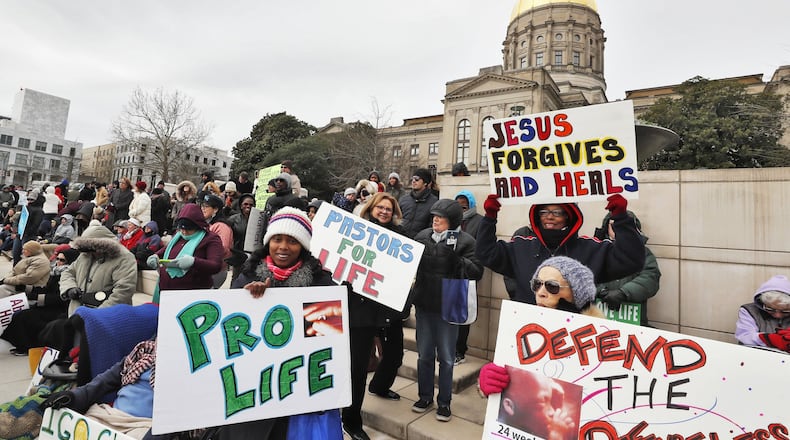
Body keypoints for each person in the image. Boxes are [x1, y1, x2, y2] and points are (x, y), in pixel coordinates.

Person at [230, 206, 342, 440]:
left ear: (303, 246)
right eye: (277, 239)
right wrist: (246, 299)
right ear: (268, 242)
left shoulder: (321, 282)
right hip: (253, 390)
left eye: (292, 241)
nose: (283, 247)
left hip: (297, 388)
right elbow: (229, 329)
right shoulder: (248, 275)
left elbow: (328, 337)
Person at [478, 256, 605, 437]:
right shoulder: (526, 329)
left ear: (577, 294)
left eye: (552, 286)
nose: (541, 293)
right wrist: (488, 384)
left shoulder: (600, 343)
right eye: (537, 284)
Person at [475, 194, 645, 305]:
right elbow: (486, 253)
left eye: (557, 212)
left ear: (569, 216)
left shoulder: (591, 250)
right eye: (543, 212)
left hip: (570, 342)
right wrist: (490, 217)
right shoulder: (521, 246)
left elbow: (631, 260)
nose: (549, 216)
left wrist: (621, 218)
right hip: (526, 336)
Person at [411, 199, 484, 422]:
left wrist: (457, 260)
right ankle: (425, 397)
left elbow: (477, 272)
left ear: (452, 221)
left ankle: (444, 403)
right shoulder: (422, 237)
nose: (435, 220)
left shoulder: (466, 241)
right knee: (424, 356)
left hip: (449, 308)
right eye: (434, 216)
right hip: (424, 305)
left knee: (447, 359)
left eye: (440, 217)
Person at [342, 193, 407, 440]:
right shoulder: (354, 232)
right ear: (371, 208)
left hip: (379, 314)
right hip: (350, 310)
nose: (383, 211)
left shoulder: (400, 240)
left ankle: (359, 411)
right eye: (380, 207)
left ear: (394, 213)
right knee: (348, 369)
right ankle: (342, 417)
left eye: (389, 209)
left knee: (375, 363)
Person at [39, 337, 162, 439]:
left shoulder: (179, 365)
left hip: (144, 425)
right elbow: (106, 380)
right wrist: (73, 396)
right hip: (111, 416)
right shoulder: (145, 349)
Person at [1, 248, 80, 355]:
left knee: (25, 316)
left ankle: (28, 347)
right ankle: (22, 345)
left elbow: (60, 298)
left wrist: (36, 298)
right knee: (20, 314)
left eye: (62, 260)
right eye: (57, 259)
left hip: (61, 310)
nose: (58, 262)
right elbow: (46, 289)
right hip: (49, 306)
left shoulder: (72, 277)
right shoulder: (56, 273)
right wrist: (26, 288)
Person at [594, 211, 661, 326]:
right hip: (598, 321)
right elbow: (584, 276)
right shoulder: (595, 251)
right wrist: (601, 291)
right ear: (607, 228)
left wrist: (623, 293)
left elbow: (650, 278)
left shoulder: (644, 254)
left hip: (633, 322)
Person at [60, 221, 138, 316]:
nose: (90, 253)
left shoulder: (124, 258)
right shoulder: (85, 255)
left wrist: (97, 315)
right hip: (77, 314)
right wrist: (69, 288)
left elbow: (124, 291)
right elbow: (68, 272)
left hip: (107, 319)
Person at [147, 203, 223, 298]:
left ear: (198, 226)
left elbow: (215, 265)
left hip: (192, 294)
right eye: (181, 229)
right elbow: (168, 249)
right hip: (165, 291)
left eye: (188, 229)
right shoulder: (179, 236)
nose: (184, 232)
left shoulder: (211, 239)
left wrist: (194, 261)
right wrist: (156, 256)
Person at [452, 190, 483, 365]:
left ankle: (459, 351)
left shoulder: (479, 221)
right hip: (450, 274)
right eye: (458, 202)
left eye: (464, 202)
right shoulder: (452, 220)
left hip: (468, 273)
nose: (461, 206)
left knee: (463, 316)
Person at [735, 275, 790, 351]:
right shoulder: (749, 310)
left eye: (785, 311)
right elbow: (744, 336)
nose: (778, 315)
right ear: (763, 303)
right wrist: (769, 339)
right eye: (771, 309)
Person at [200, 194, 234, 288]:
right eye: (202, 206)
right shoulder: (208, 225)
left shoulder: (221, 227)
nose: (203, 209)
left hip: (216, 271)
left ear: (215, 209)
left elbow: (223, 249)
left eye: (206, 206)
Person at [399, 168, 439, 238]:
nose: (413, 181)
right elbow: (397, 219)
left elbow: (433, 226)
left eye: (417, 179)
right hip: (401, 241)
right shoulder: (403, 199)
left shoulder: (434, 202)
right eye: (413, 179)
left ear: (425, 183)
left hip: (421, 242)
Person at [226, 193, 255, 283]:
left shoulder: (259, 220)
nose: (248, 206)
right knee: (236, 280)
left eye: (251, 204)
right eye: (245, 204)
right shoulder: (233, 220)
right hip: (238, 255)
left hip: (253, 256)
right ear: (241, 205)